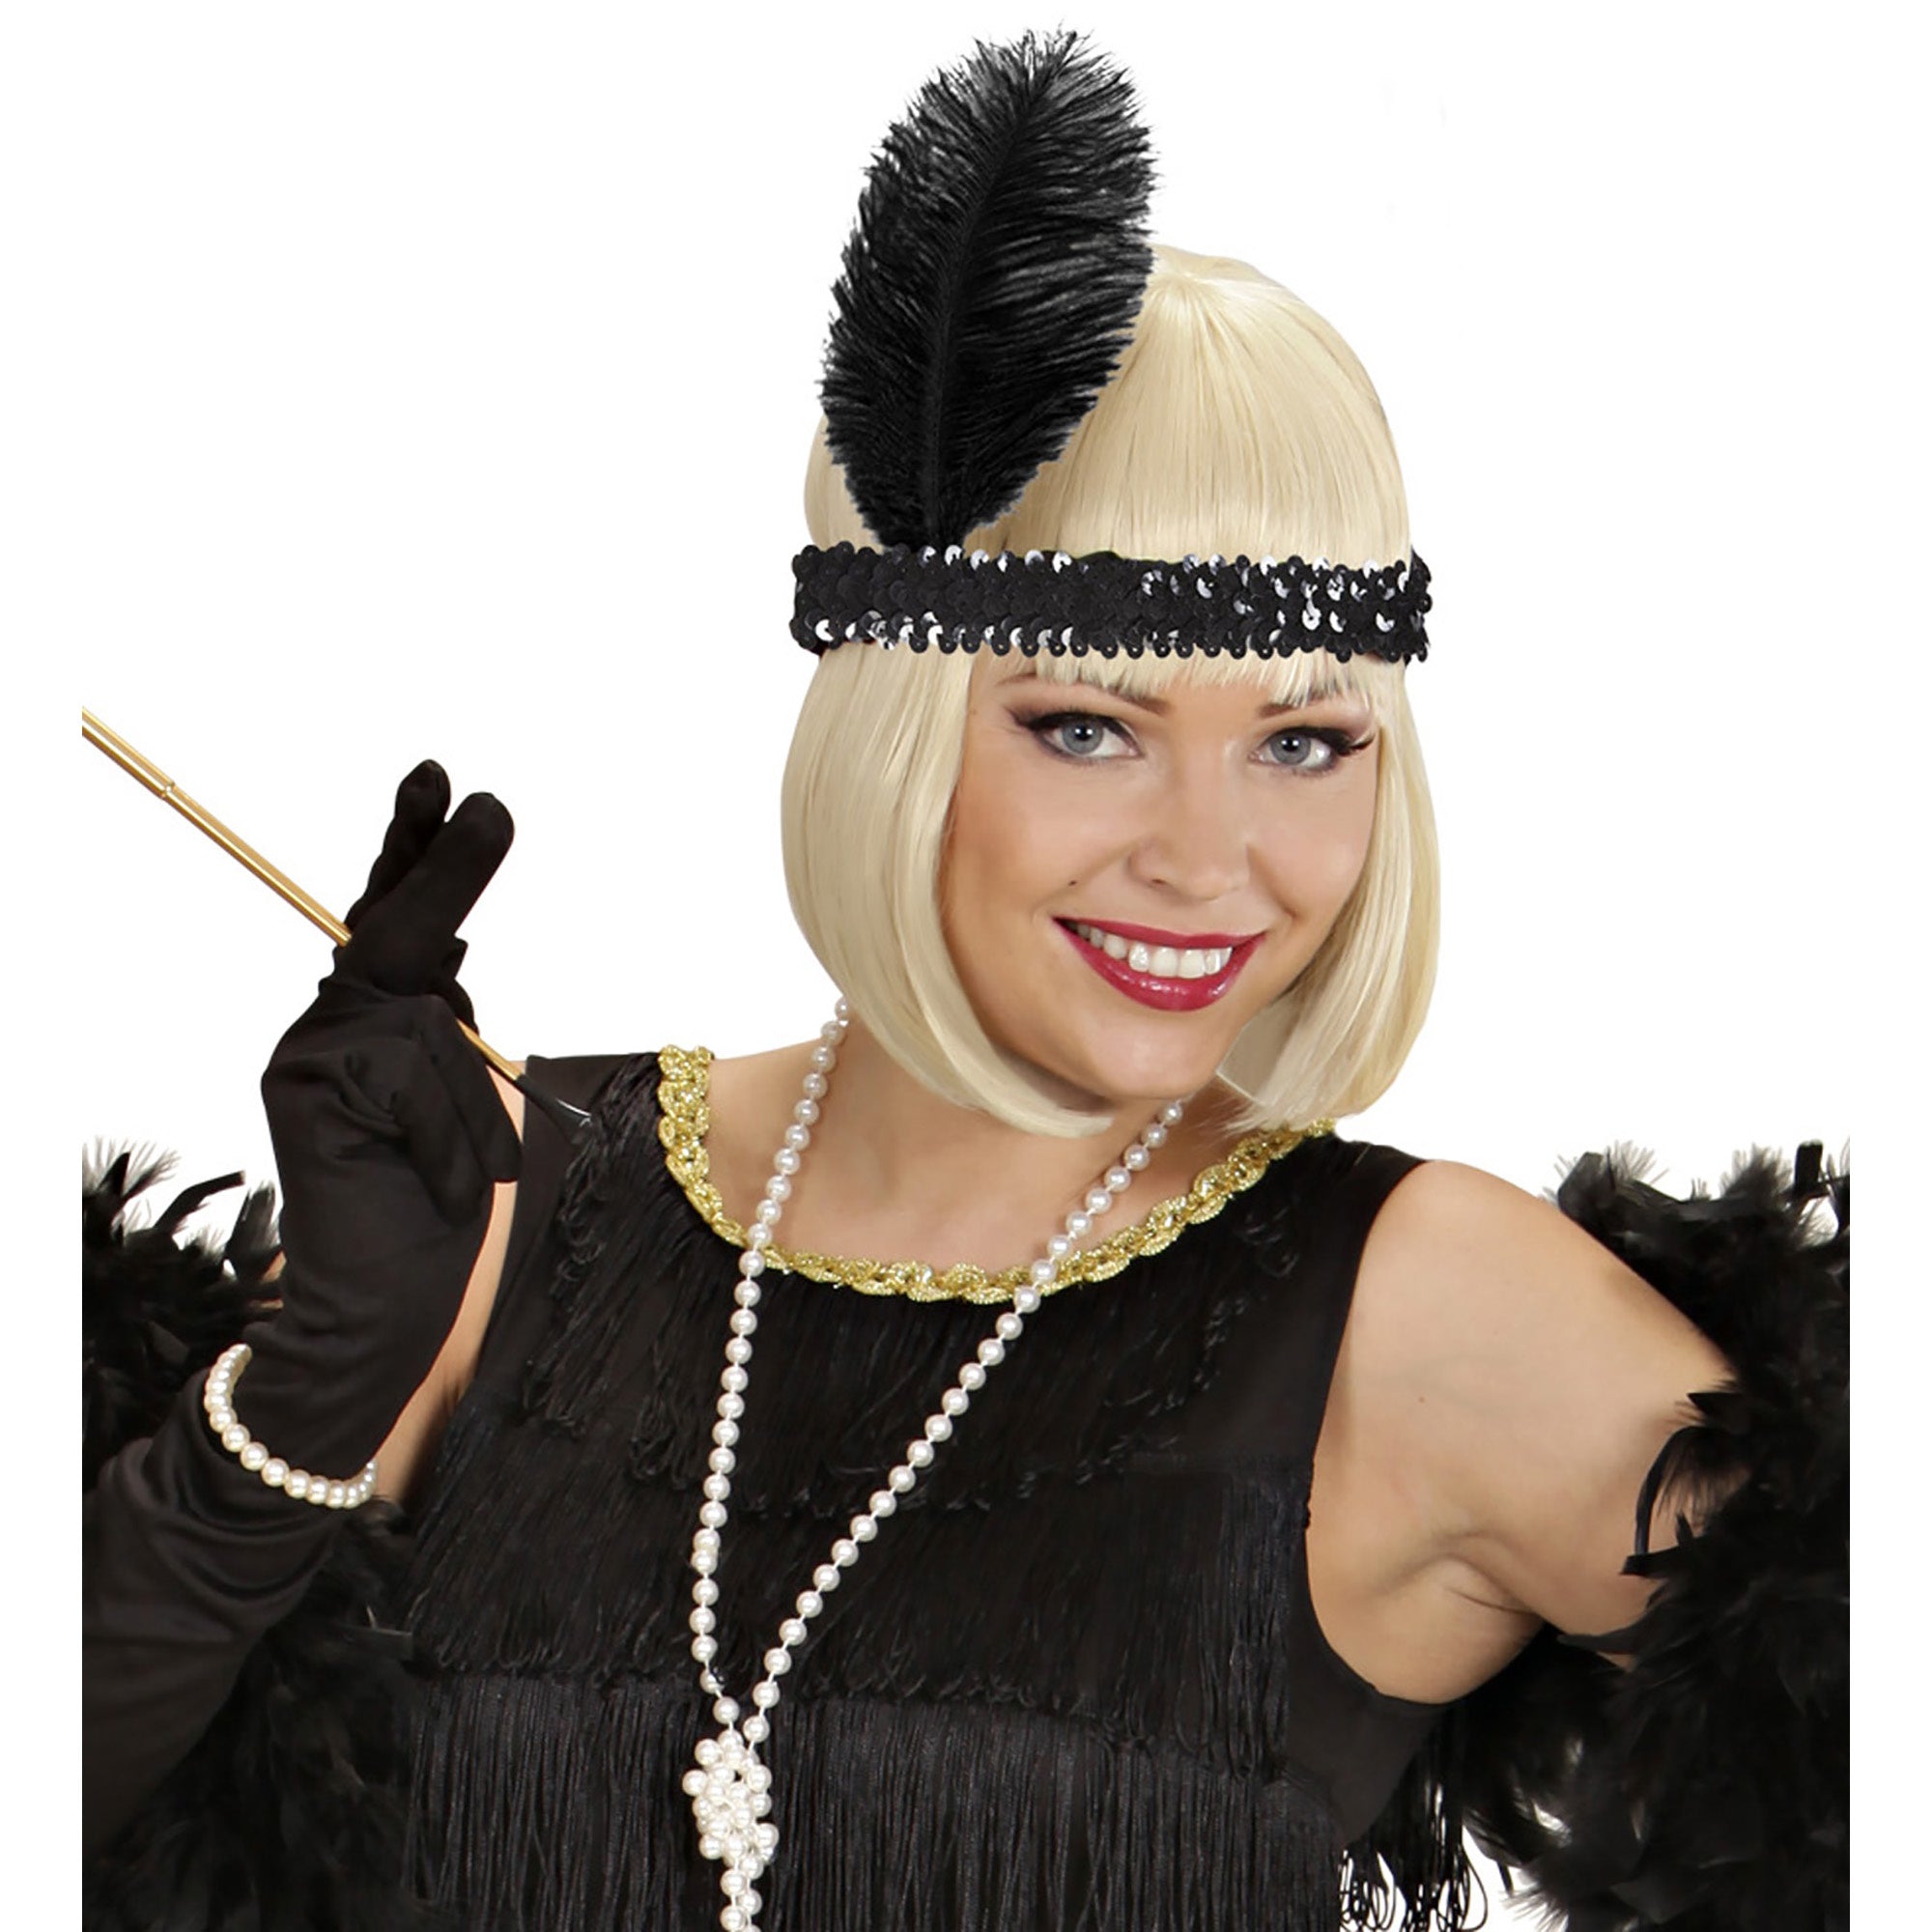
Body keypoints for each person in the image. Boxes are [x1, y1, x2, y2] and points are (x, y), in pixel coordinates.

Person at [82, 33, 1845, 1932]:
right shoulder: (501, 1208)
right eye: (1089, 728)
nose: (1209, 859)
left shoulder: (1424, 1313)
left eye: (1304, 742)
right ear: (896, 726)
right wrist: (303, 1398)